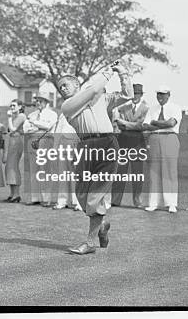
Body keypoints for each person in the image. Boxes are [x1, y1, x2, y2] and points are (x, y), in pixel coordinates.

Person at [58, 62, 133, 255]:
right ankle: (102, 224)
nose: (62, 89)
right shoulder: (68, 106)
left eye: (65, 85)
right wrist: (108, 70)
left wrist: (122, 72)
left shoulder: (100, 97)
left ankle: (90, 243)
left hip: (107, 144)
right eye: (59, 88)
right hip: (85, 147)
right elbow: (91, 92)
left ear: (77, 85)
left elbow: (128, 95)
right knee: (82, 195)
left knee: (95, 196)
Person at [141, 85, 183, 213]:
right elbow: (145, 125)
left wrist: (155, 122)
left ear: (168, 95)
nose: (160, 97)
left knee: (170, 171)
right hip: (154, 139)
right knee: (154, 172)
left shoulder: (175, 108)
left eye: (163, 94)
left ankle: (171, 204)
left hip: (170, 138)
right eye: (158, 94)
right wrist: (160, 124)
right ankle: (153, 203)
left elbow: (171, 124)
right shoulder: (152, 108)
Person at [111, 83, 149, 208]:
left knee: (137, 172)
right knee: (120, 172)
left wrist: (125, 123)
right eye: (133, 93)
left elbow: (141, 126)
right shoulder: (124, 107)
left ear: (141, 95)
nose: (135, 96)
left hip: (138, 142)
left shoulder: (146, 108)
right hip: (124, 141)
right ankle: (115, 200)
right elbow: (120, 125)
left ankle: (137, 201)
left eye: (137, 93)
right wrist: (130, 124)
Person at [22, 94, 58, 207]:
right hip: (32, 141)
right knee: (33, 170)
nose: (38, 103)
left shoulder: (52, 114)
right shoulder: (32, 114)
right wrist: (38, 126)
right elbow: (26, 129)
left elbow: (49, 127)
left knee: (44, 170)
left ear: (46, 102)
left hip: (45, 142)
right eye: (37, 100)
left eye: (40, 101)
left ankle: (46, 198)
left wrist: (35, 123)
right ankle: (34, 197)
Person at [4, 99, 26, 203]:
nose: (12, 107)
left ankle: (16, 194)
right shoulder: (15, 117)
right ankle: (12, 193)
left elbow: (12, 129)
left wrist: (9, 118)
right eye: (11, 105)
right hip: (12, 140)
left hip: (17, 141)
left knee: (13, 167)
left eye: (14, 105)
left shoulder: (21, 116)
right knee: (9, 166)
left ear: (20, 107)